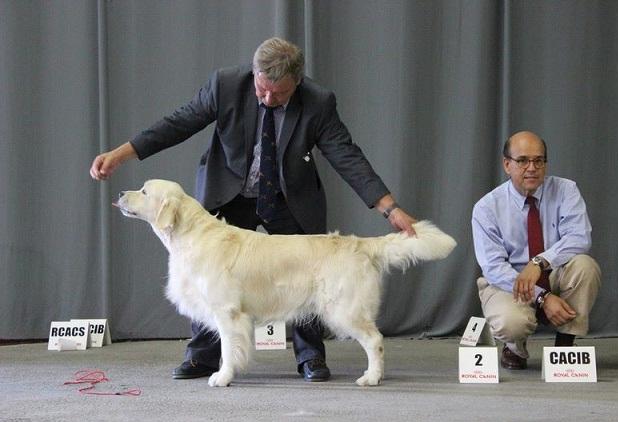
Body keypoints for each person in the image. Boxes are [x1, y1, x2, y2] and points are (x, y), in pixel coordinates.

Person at [90, 37, 417, 382]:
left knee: (308, 273)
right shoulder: (226, 84)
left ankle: (310, 359)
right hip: (230, 195)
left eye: (279, 94)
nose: (268, 99)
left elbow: (347, 156)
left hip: (287, 197)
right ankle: (203, 356)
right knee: (208, 278)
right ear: (254, 73)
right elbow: (177, 124)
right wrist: (121, 154)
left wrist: (389, 209)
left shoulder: (318, 102)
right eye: (262, 90)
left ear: (298, 82)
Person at [471, 130, 601, 370]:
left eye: (538, 160)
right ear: (507, 165)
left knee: (585, 266)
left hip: (553, 271)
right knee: (511, 323)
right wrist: (542, 297)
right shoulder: (486, 208)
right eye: (522, 161)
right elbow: (494, 267)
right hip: (509, 282)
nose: (531, 168)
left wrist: (539, 262)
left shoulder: (566, 190)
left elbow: (579, 237)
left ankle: (565, 344)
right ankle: (514, 348)